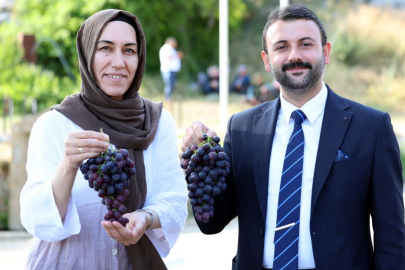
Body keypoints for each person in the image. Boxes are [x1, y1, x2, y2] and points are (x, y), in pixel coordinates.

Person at [182, 5, 405, 270]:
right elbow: (212, 222)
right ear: (266, 60)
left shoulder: (372, 127)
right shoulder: (242, 128)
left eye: (305, 44)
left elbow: (392, 238)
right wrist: (202, 161)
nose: (295, 56)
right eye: (282, 47)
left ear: (326, 52)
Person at [20, 9, 188, 270]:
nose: (119, 62)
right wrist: (67, 165)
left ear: (140, 57)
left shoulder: (157, 122)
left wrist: (145, 217)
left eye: (129, 50)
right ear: (88, 54)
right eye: (106, 48)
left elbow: (174, 201)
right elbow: (35, 219)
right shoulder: (55, 124)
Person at [159, 37, 183, 111]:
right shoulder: (167, 48)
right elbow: (168, 57)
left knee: (171, 87)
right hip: (168, 70)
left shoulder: (170, 49)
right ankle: (169, 104)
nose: (175, 44)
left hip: (171, 71)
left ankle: (170, 103)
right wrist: (177, 55)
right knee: (169, 86)